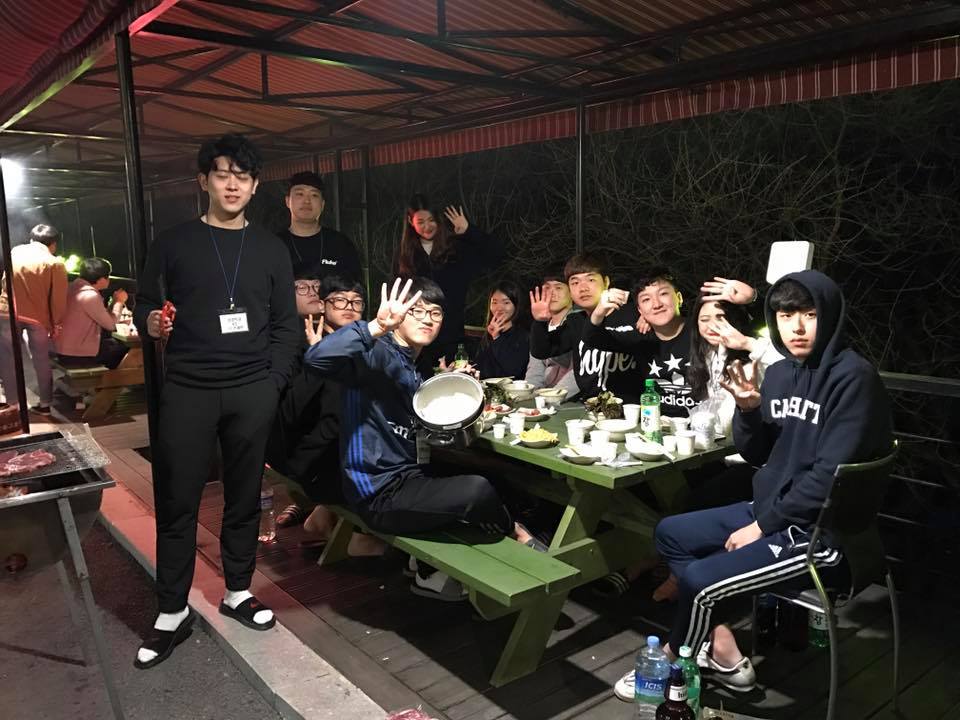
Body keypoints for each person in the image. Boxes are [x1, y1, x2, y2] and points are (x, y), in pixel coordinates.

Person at [613, 270, 893, 700]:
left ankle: (670, 661)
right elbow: (759, 454)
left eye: (809, 315)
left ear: (830, 315)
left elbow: (828, 478)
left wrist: (762, 526)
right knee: (670, 532)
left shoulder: (854, 378)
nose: (796, 327)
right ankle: (717, 641)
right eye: (785, 316)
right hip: (772, 510)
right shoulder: (780, 374)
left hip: (821, 534)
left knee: (701, 579)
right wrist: (747, 410)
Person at [132, 134, 301, 669]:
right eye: (223, 174)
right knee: (177, 499)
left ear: (255, 185)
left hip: (252, 389)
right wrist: (150, 321)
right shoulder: (174, 242)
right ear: (203, 180)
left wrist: (272, 384)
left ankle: (237, 591)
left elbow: (286, 325)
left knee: (244, 496)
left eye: (242, 177)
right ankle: (171, 609)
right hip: (189, 388)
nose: (232, 185)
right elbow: (144, 302)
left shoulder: (272, 248)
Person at [303, 277, 543, 601]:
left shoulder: (415, 367)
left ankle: (459, 555)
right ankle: (515, 536)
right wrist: (376, 326)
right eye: (417, 311)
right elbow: (317, 358)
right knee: (477, 490)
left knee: (497, 477)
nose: (428, 319)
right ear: (399, 314)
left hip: (409, 476)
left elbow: (421, 429)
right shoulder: (376, 353)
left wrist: (453, 393)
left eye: (435, 313)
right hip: (377, 493)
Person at [392, 194, 504, 376]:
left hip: (451, 336)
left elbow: (496, 255)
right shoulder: (404, 254)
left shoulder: (456, 248)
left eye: (431, 220)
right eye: (421, 222)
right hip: (417, 337)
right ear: (411, 222)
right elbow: (396, 291)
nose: (427, 226)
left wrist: (469, 231)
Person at [529, 254, 646, 403]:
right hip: (591, 408)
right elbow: (542, 351)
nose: (583, 288)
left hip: (632, 409)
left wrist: (648, 316)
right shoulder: (576, 322)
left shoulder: (631, 314)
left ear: (606, 282)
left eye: (591, 280)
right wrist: (540, 322)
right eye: (575, 282)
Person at [0, 224, 68, 414]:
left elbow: (5, 282)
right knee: (41, 359)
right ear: (53, 244)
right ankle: (45, 404)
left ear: (31, 240)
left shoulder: (15, 252)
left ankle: (13, 404)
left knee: (7, 358)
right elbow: (58, 298)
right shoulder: (54, 262)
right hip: (37, 317)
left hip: (8, 311)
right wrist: (56, 323)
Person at [277, 171, 362, 283]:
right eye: (300, 194)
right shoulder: (274, 245)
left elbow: (356, 286)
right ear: (287, 201)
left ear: (322, 205)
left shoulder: (340, 244)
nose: (307, 201)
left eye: (314, 195)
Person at [54, 257, 129, 370]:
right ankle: (108, 380)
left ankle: (107, 379)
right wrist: (119, 302)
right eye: (108, 276)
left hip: (63, 350)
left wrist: (114, 302)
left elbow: (103, 318)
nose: (109, 279)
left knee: (112, 345)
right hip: (77, 354)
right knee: (127, 350)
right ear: (101, 279)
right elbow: (111, 325)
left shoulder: (72, 287)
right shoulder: (90, 296)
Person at [523, 262, 580, 399]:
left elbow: (577, 373)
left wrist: (549, 398)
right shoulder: (541, 326)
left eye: (558, 287)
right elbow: (535, 370)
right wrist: (527, 395)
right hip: (544, 397)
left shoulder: (579, 322)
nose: (552, 293)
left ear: (571, 292)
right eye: (547, 288)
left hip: (570, 398)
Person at [474, 281, 530, 380]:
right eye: (494, 302)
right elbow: (480, 367)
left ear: (516, 305)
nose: (499, 308)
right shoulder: (488, 334)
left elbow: (514, 370)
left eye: (506, 302)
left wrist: (496, 338)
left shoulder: (524, 336)